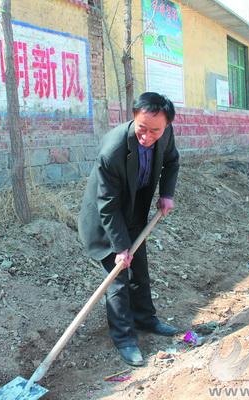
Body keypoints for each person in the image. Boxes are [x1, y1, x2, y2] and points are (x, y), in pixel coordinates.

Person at [77, 92, 180, 367]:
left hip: (134, 211)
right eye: (141, 128)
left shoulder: (165, 135)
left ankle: (145, 320)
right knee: (118, 279)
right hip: (104, 220)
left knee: (140, 270)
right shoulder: (113, 149)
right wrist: (120, 247)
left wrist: (167, 193)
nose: (147, 136)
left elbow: (172, 161)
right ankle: (124, 338)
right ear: (134, 117)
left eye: (155, 131)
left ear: (166, 126)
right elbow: (107, 205)